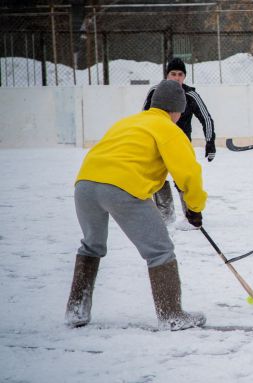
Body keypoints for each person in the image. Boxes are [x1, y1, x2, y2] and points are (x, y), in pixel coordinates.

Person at [65, 80, 208, 331]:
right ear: (177, 110)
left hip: (85, 184)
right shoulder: (169, 129)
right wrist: (194, 209)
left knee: (91, 245)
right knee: (160, 250)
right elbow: (189, 174)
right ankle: (171, 314)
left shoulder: (127, 122)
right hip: (122, 188)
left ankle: (76, 309)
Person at [143, 57, 215, 225]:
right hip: (157, 145)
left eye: (180, 74)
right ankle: (165, 216)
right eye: (173, 73)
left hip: (180, 145)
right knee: (156, 178)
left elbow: (206, 118)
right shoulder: (155, 92)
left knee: (184, 179)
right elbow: (144, 118)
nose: (176, 77)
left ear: (184, 76)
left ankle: (190, 214)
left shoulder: (190, 94)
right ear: (167, 75)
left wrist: (210, 141)